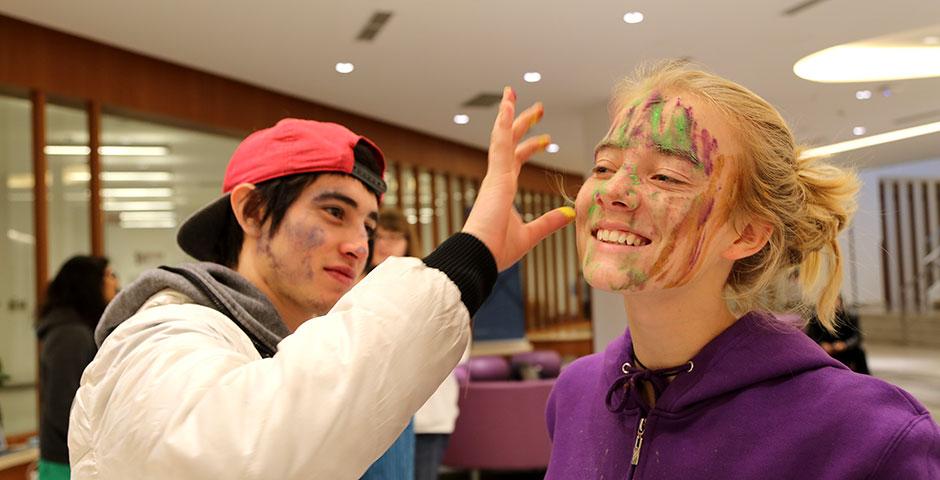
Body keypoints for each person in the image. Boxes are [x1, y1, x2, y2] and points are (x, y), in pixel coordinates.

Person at [68, 89, 574, 480]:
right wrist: (470, 255)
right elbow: (244, 452)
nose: (359, 245)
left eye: (369, 227)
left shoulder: (292, 343)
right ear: (251, 209)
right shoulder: (165, 335)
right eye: (334, 212)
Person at [545, 61, 939, 479]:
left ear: (747, 233)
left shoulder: (865, 434)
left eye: (665, 176)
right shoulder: (576, 392)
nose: (612, 192)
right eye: (604, 167)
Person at [35, 255, 118, 480]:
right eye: (109, 275)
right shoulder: (71, 335)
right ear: (89, 284)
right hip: (66, 461)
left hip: (71, 457)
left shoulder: (75, 331)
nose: (115, 282)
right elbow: (63, 407)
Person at [359, 208, 420, 480]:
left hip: (393, 398)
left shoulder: (419, 282)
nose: (385, 245)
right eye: (379, 237)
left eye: (395, 237)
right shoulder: (350, 282)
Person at [805, 296, 870, 374]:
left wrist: (845, 344)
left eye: (835, 301)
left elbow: (857, 337)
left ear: (840, 302)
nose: (833, 304)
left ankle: (865, 377)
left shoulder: (850, 316)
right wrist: (821, 344)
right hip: (823, 350)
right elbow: (810, 337)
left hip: (844, 349)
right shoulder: (816, 317)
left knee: (859, 352)